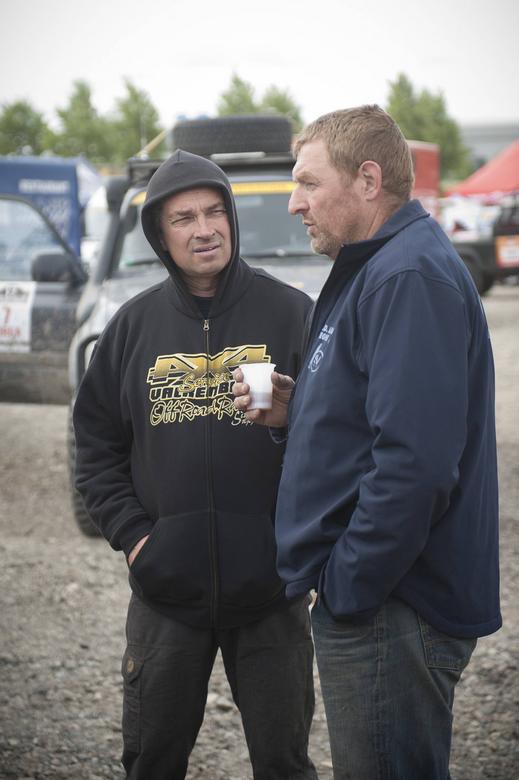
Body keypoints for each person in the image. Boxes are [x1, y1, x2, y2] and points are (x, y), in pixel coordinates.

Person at [233, 105, 501, 779]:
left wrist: (350, 585)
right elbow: (379, 420)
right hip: (382, 605)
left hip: (392, 609)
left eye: (308, 183)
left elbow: (416, 463)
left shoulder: (405, 276)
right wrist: (300, 412)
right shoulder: (380, 267)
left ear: (368, 180)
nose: (294, 203)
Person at [73, 149, 318, 780]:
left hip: (270, 593)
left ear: (232, 219)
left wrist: (292, 418)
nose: (204, 229)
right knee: (152, 762)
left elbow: (336, 438)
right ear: (160, 235)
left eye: (214, 212)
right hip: (166, 593)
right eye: (183, 218)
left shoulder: (292, 312)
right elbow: (95, 447)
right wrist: (137, 539)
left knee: (285, 764)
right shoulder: (131, 327)